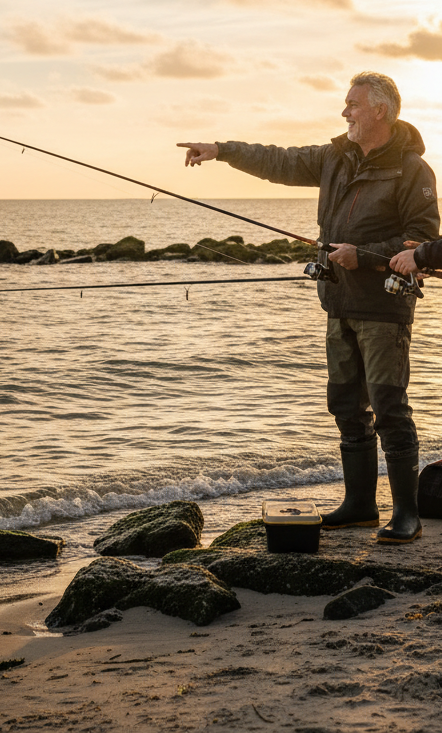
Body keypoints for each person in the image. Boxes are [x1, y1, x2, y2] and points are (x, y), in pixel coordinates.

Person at [177, 72, 440, 544]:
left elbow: (421, 242)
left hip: (384, 310)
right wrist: (221, 149)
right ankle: (360, 505)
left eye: (353, 104)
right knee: (345, 406)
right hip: (337, 303)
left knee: (389, 408)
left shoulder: (412, 170)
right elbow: (277, 160)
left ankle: (407, 514)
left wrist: (364, 255)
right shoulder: (334, 156)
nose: (345, 112)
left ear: (379, 110)